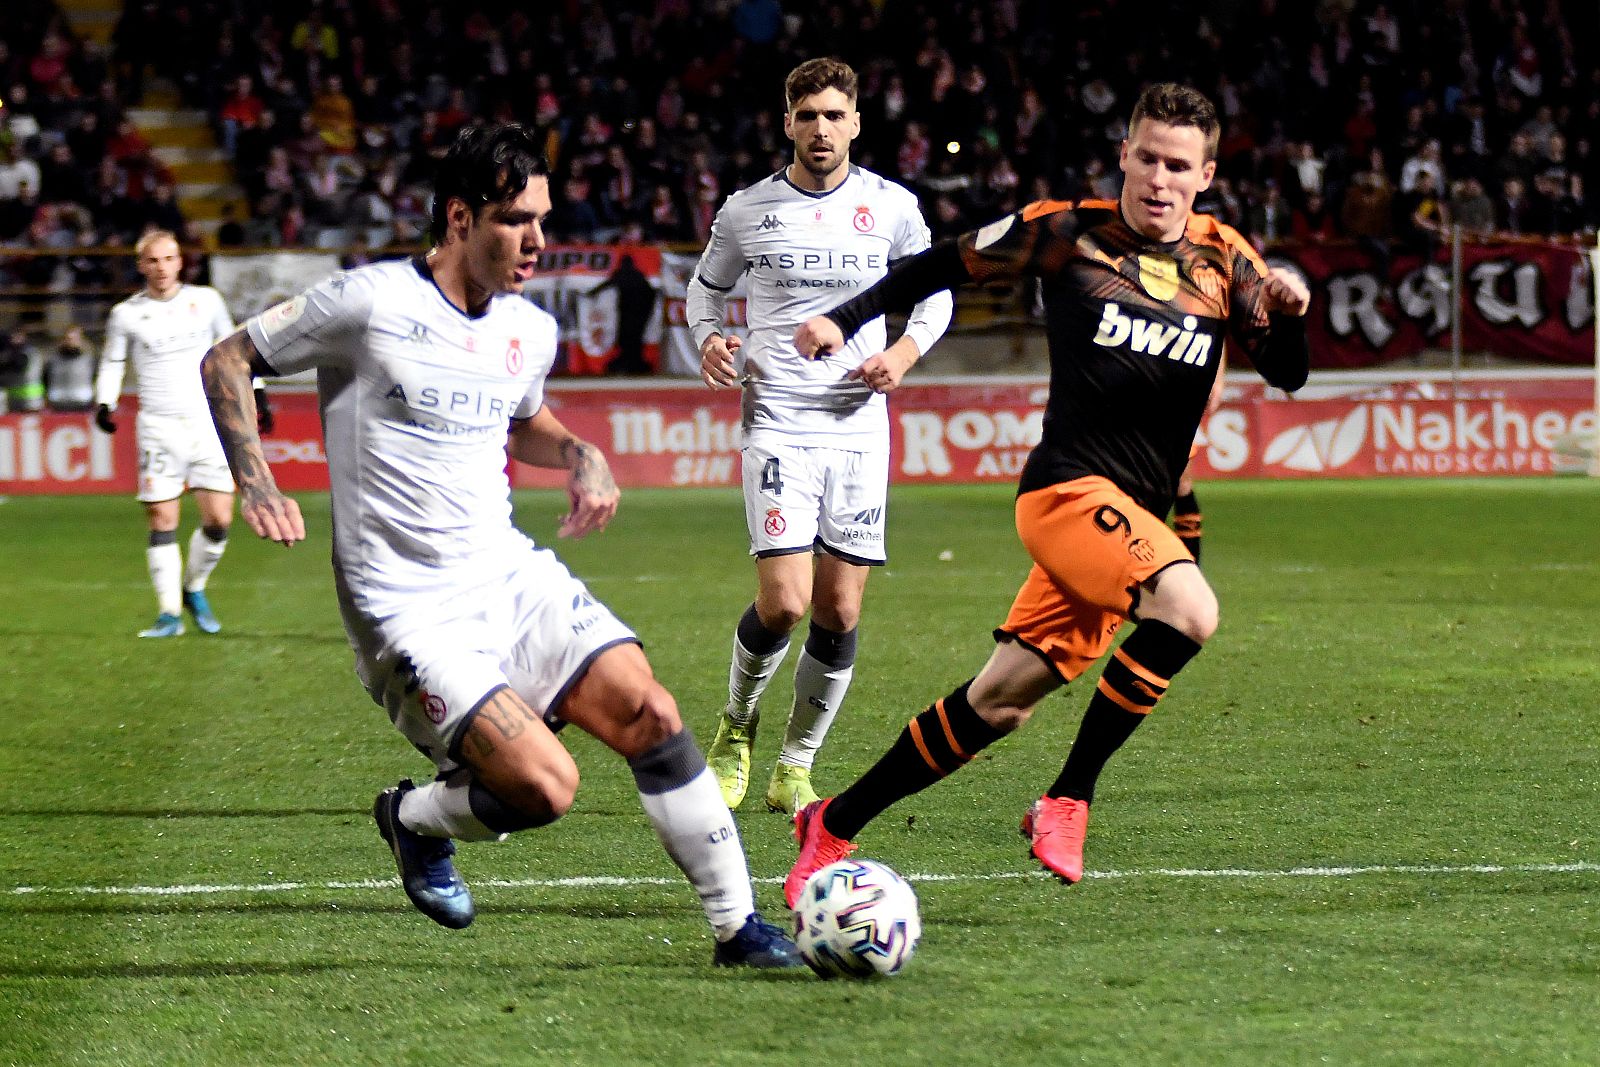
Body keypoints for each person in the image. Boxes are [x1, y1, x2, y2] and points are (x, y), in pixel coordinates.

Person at [198, 123, 798, 968]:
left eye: (542, 219)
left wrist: (580, 452)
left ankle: (740, 929)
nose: (538, 242)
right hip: (406, 611)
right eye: (517, 220)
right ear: (458, 217)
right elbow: (228, 357)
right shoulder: (367, 304)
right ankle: (411, 819)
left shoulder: (526, 329)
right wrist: (255, 477)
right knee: (546, 787)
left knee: (653, 712)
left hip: (509, 573)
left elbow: (524, 420)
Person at [783, 83, 1311, 904]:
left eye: (1179, 165)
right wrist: (843, 319)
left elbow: (1288, 371)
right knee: (1191, 610)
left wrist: (1289, 311)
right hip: (1066, 492)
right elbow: (937, 264)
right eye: (1146, 158)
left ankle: (833, 821)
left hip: (1130, 521)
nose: (1159, 179)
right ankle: (1068, 798)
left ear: (1205, 175)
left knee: (999, 701)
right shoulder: (1067, 232)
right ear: (1124, 155)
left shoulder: (1225, 261)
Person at [689, 57, 953, 815]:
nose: (821, 129)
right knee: (784, 602)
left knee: (840, 610)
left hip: (859, 429)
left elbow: (934, 295)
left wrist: (901, 352)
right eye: (807, 116)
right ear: (787, 122)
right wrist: (709, 338)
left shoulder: (893, 207)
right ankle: (736, 726)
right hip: (776, 420)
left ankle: (794, 766)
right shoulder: (748, 211)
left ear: (856, 122)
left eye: (835, 115)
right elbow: (704, 291)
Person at [93, 229, 272, 638]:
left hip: (208, 423)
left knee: (219, 519)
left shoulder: (205, 301)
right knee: (161, 516)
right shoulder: (126, 313)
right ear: (141, 265)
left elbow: (234, 350)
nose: (161, 268)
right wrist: (106, 401)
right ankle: (169, 613)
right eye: (152, 261)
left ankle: (193, 587)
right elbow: (112, 361)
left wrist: (257, 395)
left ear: (180, 262)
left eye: (168, 259)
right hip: (158, 426)